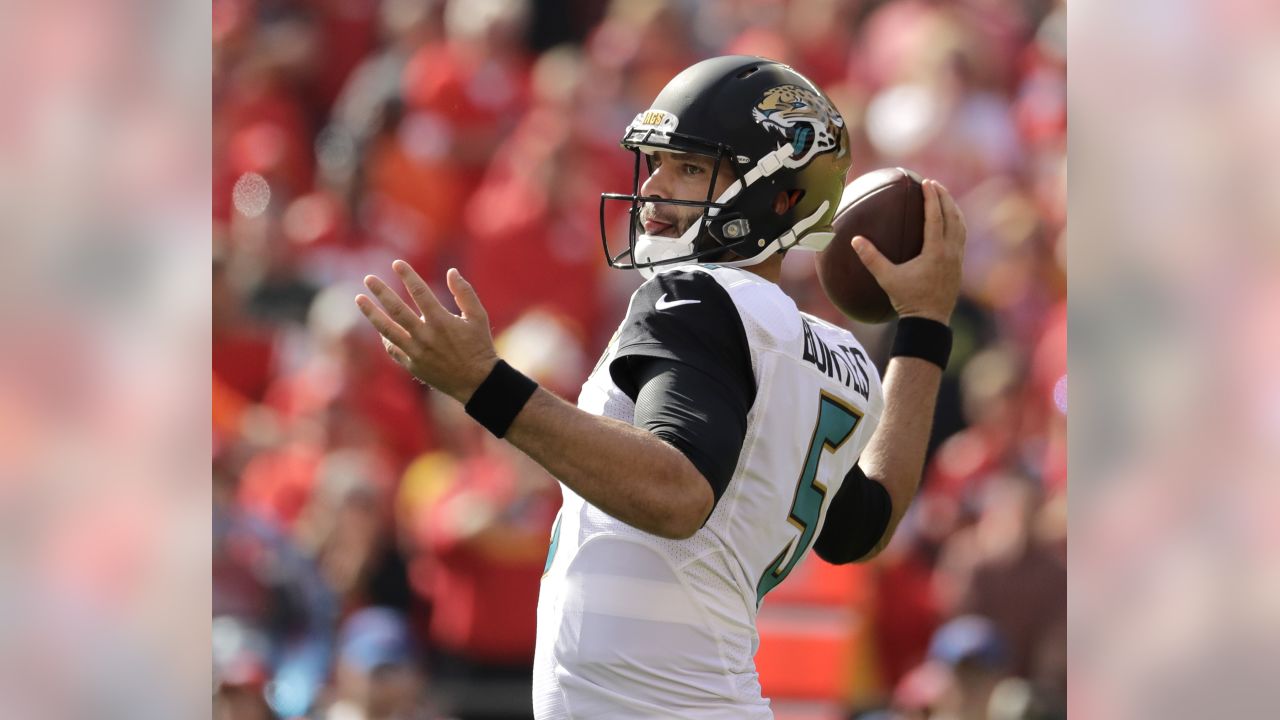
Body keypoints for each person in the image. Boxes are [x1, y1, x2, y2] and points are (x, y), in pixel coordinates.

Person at [354, 55, 966, 718]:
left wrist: (484, 385)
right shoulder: (834, 354)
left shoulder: (696, 298)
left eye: (692, 168)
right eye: (660, 162)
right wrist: (924, 328)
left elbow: (677, 492)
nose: (655, 189)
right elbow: (864, 526)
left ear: (782, 196)